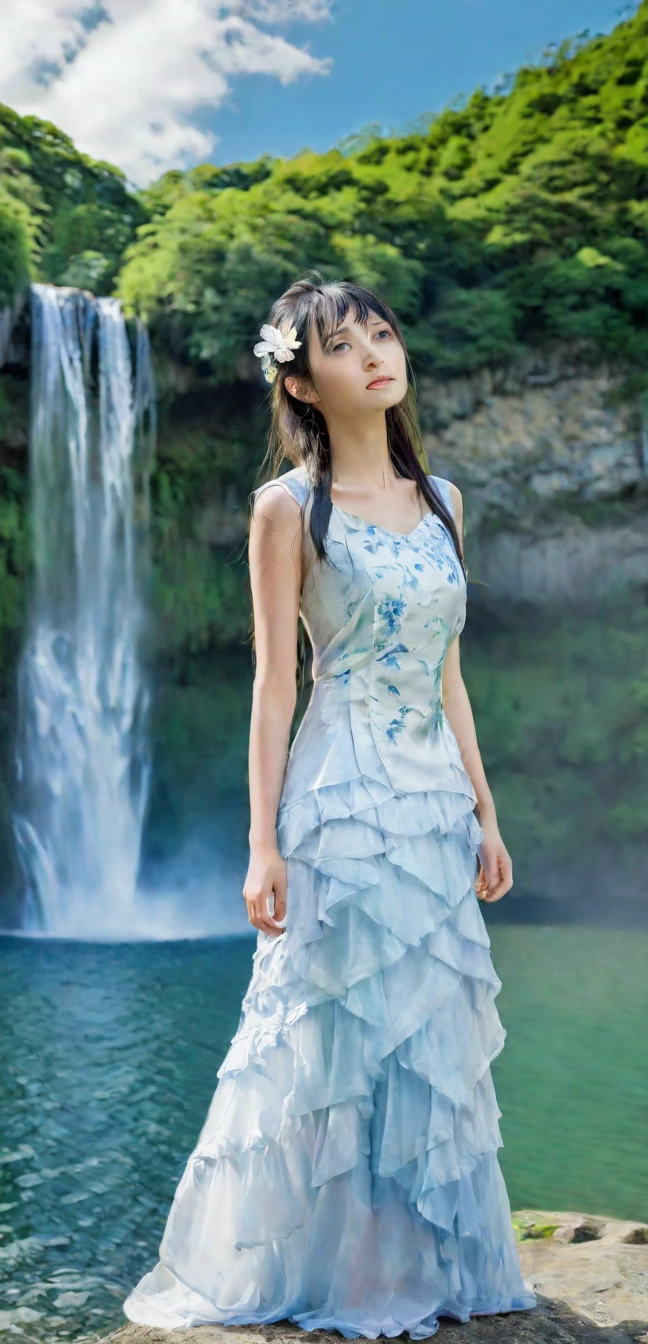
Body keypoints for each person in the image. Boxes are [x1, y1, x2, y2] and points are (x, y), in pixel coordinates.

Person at [122, 274, 538, 1340]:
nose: (374, 355)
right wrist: (260, 844)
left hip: (430, 799)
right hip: (339, 798)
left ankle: (419, 1262)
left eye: (381, 333)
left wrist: (487, 815)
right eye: (344, 346)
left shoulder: (446, 502)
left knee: (424, 1033)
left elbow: (451, 677)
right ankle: (337, 1271)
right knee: (331, 1033)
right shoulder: (286, 509)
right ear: (301, 384)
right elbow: (275, 685)